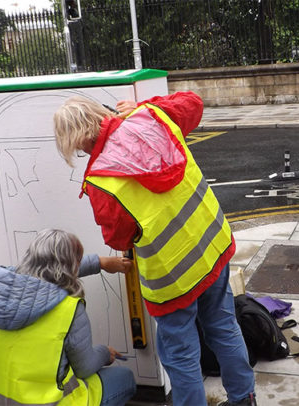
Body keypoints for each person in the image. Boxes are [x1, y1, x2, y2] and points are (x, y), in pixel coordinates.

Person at [53, 93, 257, 406]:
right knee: (223, 325)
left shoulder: (101, 181)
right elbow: (193, 103)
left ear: (77, 140)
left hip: (172, 275)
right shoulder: (152, 117)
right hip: (212, 244)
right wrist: (145, 105)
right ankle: (244, 398)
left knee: (181, 353)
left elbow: (119, 238)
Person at [0, 228, 136, 406]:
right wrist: (105, 353)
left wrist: (99, 262)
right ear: (72, 266)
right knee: (124, 378)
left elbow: (52, 271)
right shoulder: (67, 310)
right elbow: (85, 368)